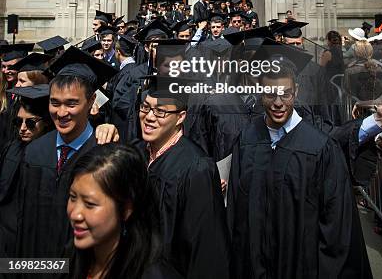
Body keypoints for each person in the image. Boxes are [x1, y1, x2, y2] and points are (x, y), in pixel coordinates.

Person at [227, 61, 373, 279]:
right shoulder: (247, 139)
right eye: (270, 94)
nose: (278, 103)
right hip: (253, 264)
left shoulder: (320, 148)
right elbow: (236, 212)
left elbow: (336, 227)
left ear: (296, 91)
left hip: (301, 267)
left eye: (285, 94)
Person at [16, 59, 119, 258]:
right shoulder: (35, 151)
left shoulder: (103, 155)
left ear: (91, 102)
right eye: (55, 103)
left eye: (71, 104)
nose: (61, 113)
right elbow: (23, 221)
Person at [134, 79, 231, 279]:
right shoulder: (135, 153)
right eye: (145, 108)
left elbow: (206, 250)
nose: (149, 117)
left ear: (181, 117)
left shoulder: (196, 168)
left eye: (160, 111)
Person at [67, 144, 182, 279]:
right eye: (73, 197)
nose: (75, 214)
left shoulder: (152, 274)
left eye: (90, 204)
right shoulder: (71, 258)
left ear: (126, 209)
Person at [0, 85, 53, 256]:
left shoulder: (52, 155)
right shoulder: (11, 148)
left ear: (46, 122)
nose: (22, 128)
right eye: (18, 121)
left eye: (30, 122)